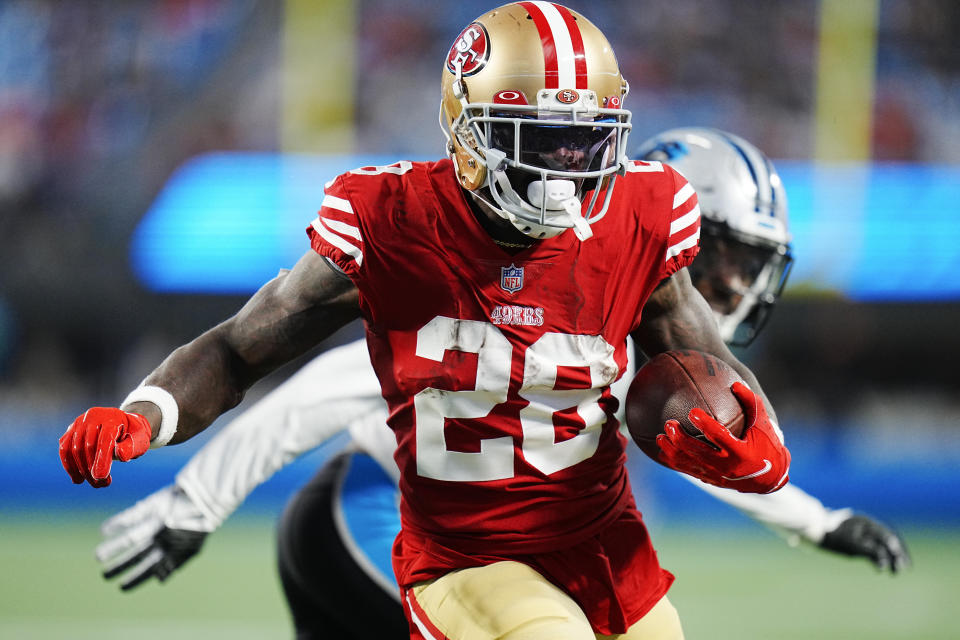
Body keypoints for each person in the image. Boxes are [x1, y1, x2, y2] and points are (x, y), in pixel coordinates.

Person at [60, 4, 794, 638]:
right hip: (467, 551)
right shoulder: (390, 221)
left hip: (604, 540)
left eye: (584, 143)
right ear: (467, 132)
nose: (566, 173)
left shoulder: (642, 212)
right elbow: (239, 348)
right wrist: (147, 413)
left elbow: (703, 361)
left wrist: (750, 435)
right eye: (540, 145)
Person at [93, 127, 911, 640]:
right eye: (729, 257)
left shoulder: (642, 327)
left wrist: (817, 519)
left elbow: (710, 448)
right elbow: (319, 388)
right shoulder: (542, 292)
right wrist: (191, 505)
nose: (735, 288)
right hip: (376, 517)